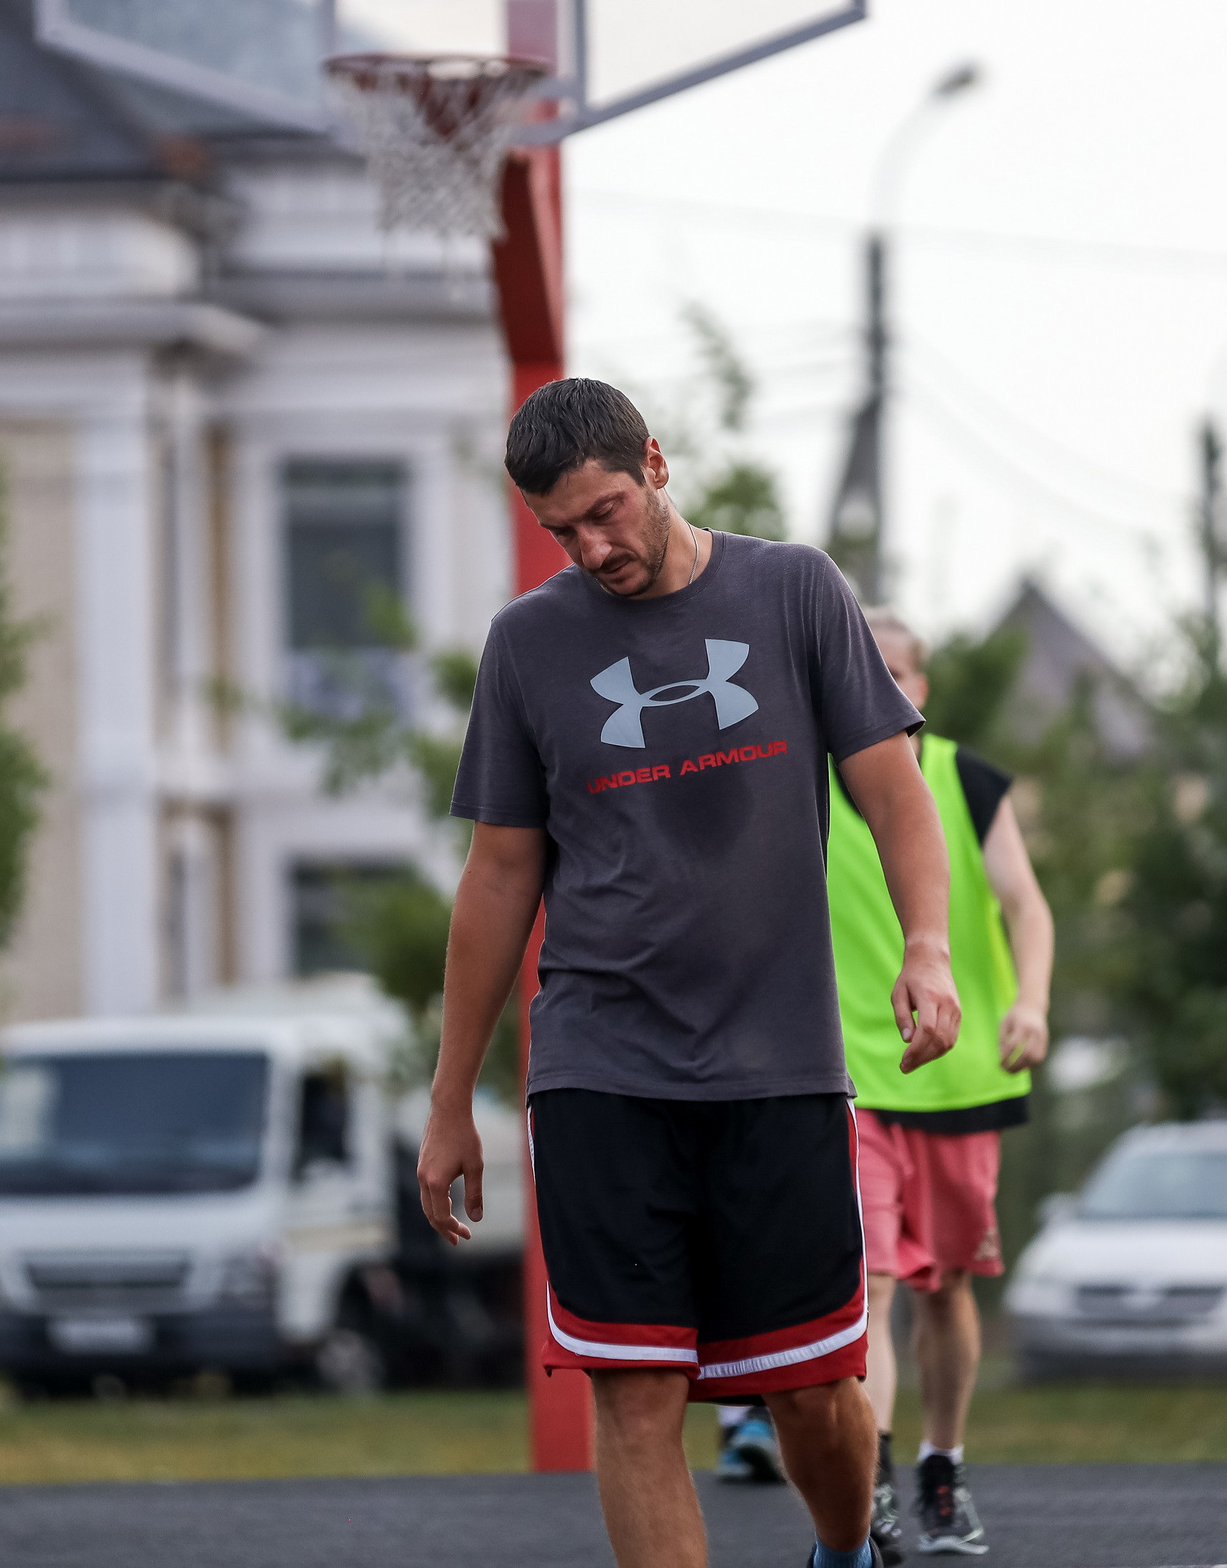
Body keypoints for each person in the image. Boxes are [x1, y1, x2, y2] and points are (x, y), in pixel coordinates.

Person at [416, 378, 963, 1568]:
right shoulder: (528, 644)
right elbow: (499, 878)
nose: (593, 546)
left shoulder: (792, 590)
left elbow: (893, 795)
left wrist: (928, 947)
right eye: (564, 529)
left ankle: (844, 1548)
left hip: (779, 1063)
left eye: (607, 510)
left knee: (812, 1394)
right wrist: (452, 1095)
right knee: (634, 1392)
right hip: (600, 1064)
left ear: (656, 464)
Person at [839, 609, 1050, 1560]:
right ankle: (874, 1484)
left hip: (960, 1075)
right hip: (852, 1078)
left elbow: (1024, 905)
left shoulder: (965, 778)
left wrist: (1031, 1002)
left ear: (922, 687)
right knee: (873, 1286)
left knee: (949, 1285)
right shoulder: (811, 781)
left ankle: (941, 1465)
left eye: (898, 671)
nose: (883, 684)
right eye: (865, 668)